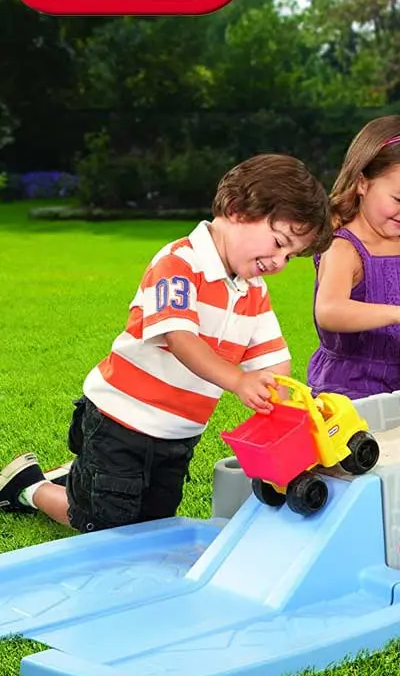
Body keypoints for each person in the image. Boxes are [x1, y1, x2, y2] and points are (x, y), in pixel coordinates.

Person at [0, 154, 332, 530]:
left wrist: (280, 408)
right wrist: (238, 381)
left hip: (179, 435)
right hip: (120, 421)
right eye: (278, 242)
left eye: (290, 255)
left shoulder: (252, 291)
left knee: (153, 525)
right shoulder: (178, 263)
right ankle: (29, 487)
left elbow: (272, 356)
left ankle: (76, 479)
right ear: (239, 209)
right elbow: (179, 337)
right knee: (102, 523)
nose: (279, 262)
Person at [307, 115, 400, 401]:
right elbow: (329, 311)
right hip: (350, 386)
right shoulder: (343, 247)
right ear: (362, 183)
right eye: (399, 199)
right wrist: (399, 313)